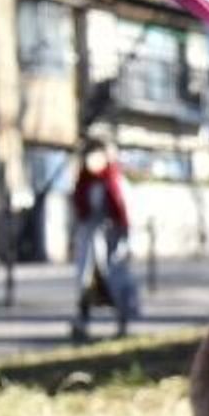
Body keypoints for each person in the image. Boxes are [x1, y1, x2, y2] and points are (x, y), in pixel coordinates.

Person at [70, 140, 139, 340]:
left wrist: (125, 239)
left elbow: (124, 211)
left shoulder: (115, 181)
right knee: (85, 282)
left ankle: (122, 323)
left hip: (113, 239)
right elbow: (80, 211)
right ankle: (82, 323)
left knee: (116, 281)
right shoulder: (84, 182)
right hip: (91, 240)